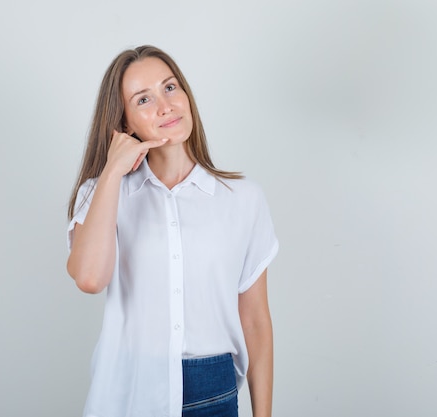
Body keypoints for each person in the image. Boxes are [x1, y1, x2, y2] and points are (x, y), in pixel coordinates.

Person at [66, 45, 279, 417]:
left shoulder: (243, 199)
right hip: (129, 386)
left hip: (213, 390)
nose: (165, 106)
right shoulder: (101, 195)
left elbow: (256, 321)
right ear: (125, 122)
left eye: (170, 87)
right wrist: (114, 171)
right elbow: (89, 278)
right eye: (143, 98)